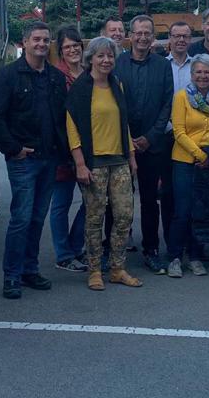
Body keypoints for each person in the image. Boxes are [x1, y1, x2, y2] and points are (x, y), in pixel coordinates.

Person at [0, 22, 68, 299]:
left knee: (36, 218)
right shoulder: (8, 76)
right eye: (37, 39)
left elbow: (61, 118)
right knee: (20, 218)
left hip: (49, 158)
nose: (42, 44)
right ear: (25, 42)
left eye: (46, 40)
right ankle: (11, 276)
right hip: (24, 159)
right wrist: (13, 148)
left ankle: (29, 270)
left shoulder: (56, 78)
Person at [67, 36, 142, 291]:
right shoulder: (80, 88)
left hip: (119, 161)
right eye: (100, 56)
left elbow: (124, 124)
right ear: (91, 59)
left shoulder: (116, 85)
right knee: (94, 220)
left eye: (110, 56)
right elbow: (72, 127)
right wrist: (79, 163)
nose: (106, 60)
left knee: (123, 216)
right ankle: (95, 270)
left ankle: (118, 268)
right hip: (93, 163)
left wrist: (131, 156)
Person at [115, 15, 174, 274]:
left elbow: (167, 104)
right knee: (116, 201)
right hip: (121, 144)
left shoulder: (163, 66)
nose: (142, 37)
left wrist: (150, 137)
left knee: (150, 201)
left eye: (147, 33)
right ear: (130, 35)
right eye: (138, 33)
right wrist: (128, 138)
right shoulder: (117, 64)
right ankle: (113, 251)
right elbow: (113, 105)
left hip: (153, 145)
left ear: (153, 36)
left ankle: (151, 250)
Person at [168, 54, 209, 278]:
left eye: (207, 72)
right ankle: (175, 257)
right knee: (182, 211)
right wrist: (199, 154)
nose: (203, 76)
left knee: (200, 211)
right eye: (198, 72)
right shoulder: (181, 97)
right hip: (185, 161)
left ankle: (195, 256)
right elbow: (179, 132)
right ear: (192, 74)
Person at [49, 26, 87, 272]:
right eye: (67, 47)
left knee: (92, 201)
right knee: (61, 203)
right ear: (61, 51)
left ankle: (76, 245)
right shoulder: (56, 76)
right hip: (63, 149)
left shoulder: (89, 73)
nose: (72, 50)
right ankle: (63, 253)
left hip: (89, 148)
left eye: (76, 45)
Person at [167, 21, 195, 93]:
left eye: (185, 36)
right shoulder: (161, 65)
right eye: (177, 36)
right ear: (169, 37)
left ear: (190, 38)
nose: (181, 40)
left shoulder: (196, 65)